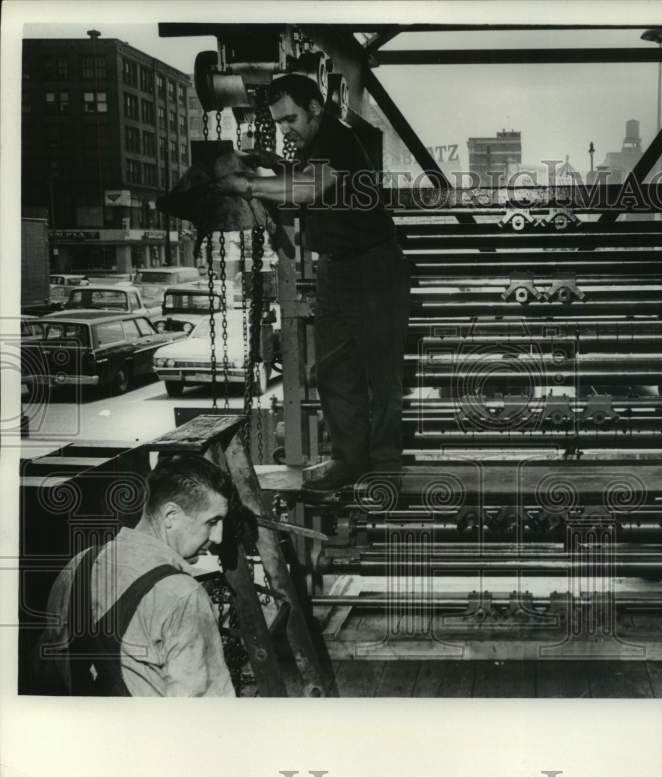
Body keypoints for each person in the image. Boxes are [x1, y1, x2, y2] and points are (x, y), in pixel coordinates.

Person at [213, 73, 411, 494]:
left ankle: (385, 466)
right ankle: (349, 462)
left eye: (291, 119)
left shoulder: (336, 138)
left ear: (316, 108)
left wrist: (246, 184)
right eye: (279, 122)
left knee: (380, 371)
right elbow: (306, 177)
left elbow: (309, 187)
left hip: (373, 267)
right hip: (338, 269)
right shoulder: (317, 146)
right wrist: (274, 162)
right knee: (335, 369)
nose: (286, 129)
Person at [35, 455, 236, 696]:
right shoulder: (183, 595)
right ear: (171, 516)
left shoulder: (78, 565)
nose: (218, 537)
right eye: (212, 521)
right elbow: (204, 709)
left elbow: (46, 673)